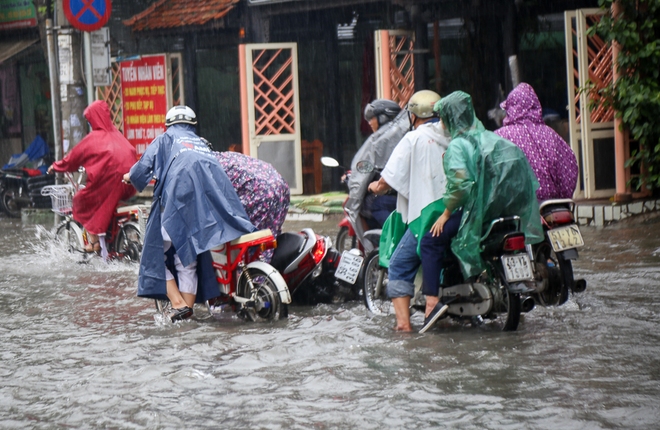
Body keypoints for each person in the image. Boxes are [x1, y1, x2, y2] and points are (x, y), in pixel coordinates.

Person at [418, 91, 544, 333]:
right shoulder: (493, 140)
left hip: (477, 218)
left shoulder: (458, 145)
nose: (441, 124)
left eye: (443, 118)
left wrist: (445, 214)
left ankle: (432, 303)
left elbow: (460, 186)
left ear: (451, 118)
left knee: (430, 241)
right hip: (505, 216)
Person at [123, 106, 256, 322]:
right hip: (205, 209)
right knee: (187, 261)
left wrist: (130, 176)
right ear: (193, 126)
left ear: (168, 126)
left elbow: (143, 167)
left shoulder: (166, 139)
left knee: (154, 255)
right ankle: (187, 312)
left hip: (177, 200)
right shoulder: (202, 143)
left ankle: (177, 303)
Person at [367, 90, 450, 332]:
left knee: (399, 264)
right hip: (456, 213)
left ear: (414, 116)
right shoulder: (454, 134)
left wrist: (376, 186)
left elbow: (387, 180)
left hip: (427, 217)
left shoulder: (413, 139)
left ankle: (403, 325)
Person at [47, 100, 136, 256]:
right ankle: (110, 239)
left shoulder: (94, 138)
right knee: (105, 204)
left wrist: (56, 166)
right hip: (130, 181)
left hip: (110, 181)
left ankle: (94, 242)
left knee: (81, 200)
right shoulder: (117, 134)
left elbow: (73, 158)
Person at [494, 82, 578, 201]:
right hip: (551, 204)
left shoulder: (499, 137)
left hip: (514, 207)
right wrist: (562, 196)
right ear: (535, 106)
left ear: (510, 108)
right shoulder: (551, 135)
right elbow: (569, 167)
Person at [344, 99, 409, 233]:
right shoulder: (401, 133)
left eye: (372, 118)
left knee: (372, 204)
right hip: (407, 192)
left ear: (382, 118)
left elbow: (366, 168)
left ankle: (392, 235)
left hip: (393, 194)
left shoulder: (381, 141)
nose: (369, 123)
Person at [213, 151, 290, 238]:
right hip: (279, 185)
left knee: (252, 239)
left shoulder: (204, 166)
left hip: (260, 192)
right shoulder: (218, 157)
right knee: (269, 235)